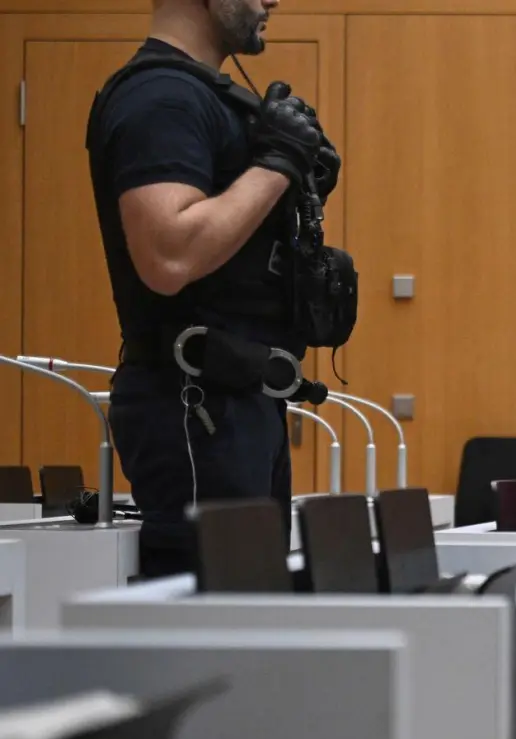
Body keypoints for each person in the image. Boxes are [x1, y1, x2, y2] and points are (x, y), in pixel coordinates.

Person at [86, 0, 351, 577]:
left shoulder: (206, 97)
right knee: (210, 632)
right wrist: (277, 165)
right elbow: (168, 254)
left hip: (240, 403)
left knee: (248, 622)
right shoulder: (160, 98)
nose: (271, 1)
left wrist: (289, 184)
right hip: (194, 406)